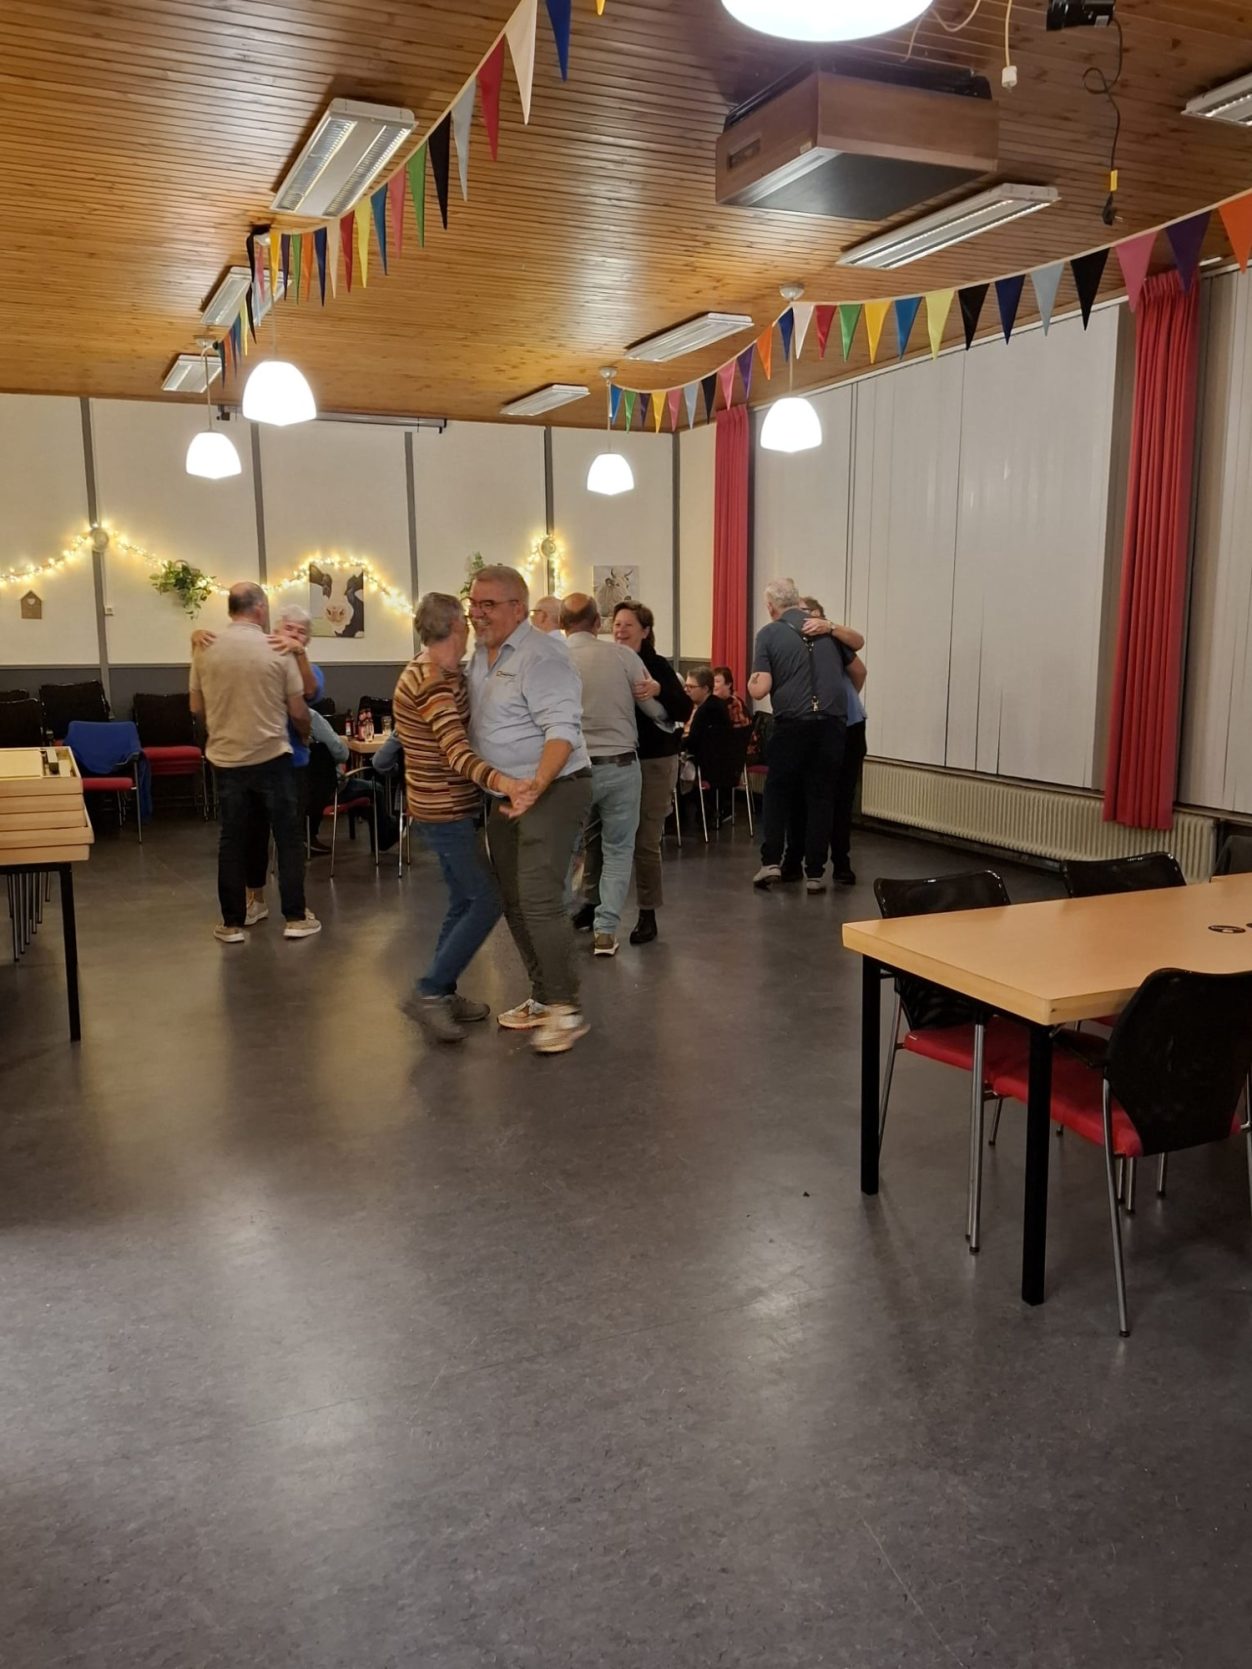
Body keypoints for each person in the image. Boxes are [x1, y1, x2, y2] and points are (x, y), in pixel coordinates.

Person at [392, 592, 534, 1046]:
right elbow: (456, 752)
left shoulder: (444, 671)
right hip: (444, 811)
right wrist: (505, 781)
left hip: (448, 807)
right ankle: (430, 991)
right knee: (487, 900)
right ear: (456, 627)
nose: (474, 624)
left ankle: (443, 990)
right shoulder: (431, 681)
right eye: (469, 619)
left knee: (462, 899)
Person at [467, 564, 593, 1055]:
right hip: (507, 794)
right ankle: (544, 996)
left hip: (555, 787)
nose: (477, 613)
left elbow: (563, 730)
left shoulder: (543, 656)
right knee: (514, 900)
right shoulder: (479, 655)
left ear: (517, 608)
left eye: (488, 605)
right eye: (473, 604)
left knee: (539, 897)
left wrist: (535, 785)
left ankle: (566, 1009)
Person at [190, 581, 320, 942]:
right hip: (272, 755)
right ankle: (295, 917)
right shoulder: (278, 649)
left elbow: (196, 707)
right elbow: (299, 710)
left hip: (225, 757)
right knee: (288, 838)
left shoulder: (204, 646)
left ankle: (232, 923)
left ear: (230, 607)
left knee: (232, 838)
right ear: (261, 609)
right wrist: (304, 734)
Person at [562, 592, 668, 958]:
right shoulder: (623, 656)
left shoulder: (553, 658)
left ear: (562, 624)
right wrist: (668, 719)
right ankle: (605, 931)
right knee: (619, 850)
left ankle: (556, 923)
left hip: (573, 770)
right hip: (622, 765)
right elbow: (653, 709)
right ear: (598, 623)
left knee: (567, 849)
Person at [747, 577, 850, 895]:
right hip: (831, 725)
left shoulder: (769, 634)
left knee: (778, 792)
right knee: (821, 797)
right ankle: (816, 873)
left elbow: (761, 687)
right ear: (796, 600)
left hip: (792, 725)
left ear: (770, 607)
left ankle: (771, 862)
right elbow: (857, 660)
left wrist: (752, 683)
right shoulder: (825, 629)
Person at [609, 600, 691, 945]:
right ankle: (593, 904)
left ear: (645, 631)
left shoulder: (657, 666)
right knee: (602, 837)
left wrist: (660, 689)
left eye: (628, 625)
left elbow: (684, 708)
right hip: (616, 760)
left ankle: (647, 913)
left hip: (653, 761)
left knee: (645, 840)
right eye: (617, 624)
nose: (620, 630)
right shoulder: (608, 663)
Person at [783, 599, 868, 886]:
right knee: (800, 796)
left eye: (813, 616)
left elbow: (860, 668)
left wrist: (841, 700)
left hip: (846, 724)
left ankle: (840, 861)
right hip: (810, 724)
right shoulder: (791, 643)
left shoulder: (833, 639)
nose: (809, 622)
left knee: (840, 798)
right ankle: (796, 860)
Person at [681, 665, 733, 828]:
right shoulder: (719, 705)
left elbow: (692, 742)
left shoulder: (704, 711)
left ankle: (678, 818)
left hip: (706, 764)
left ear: (705, 688)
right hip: (722, 763)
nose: (686, 690)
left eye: (691, 687)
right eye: (686, 686)